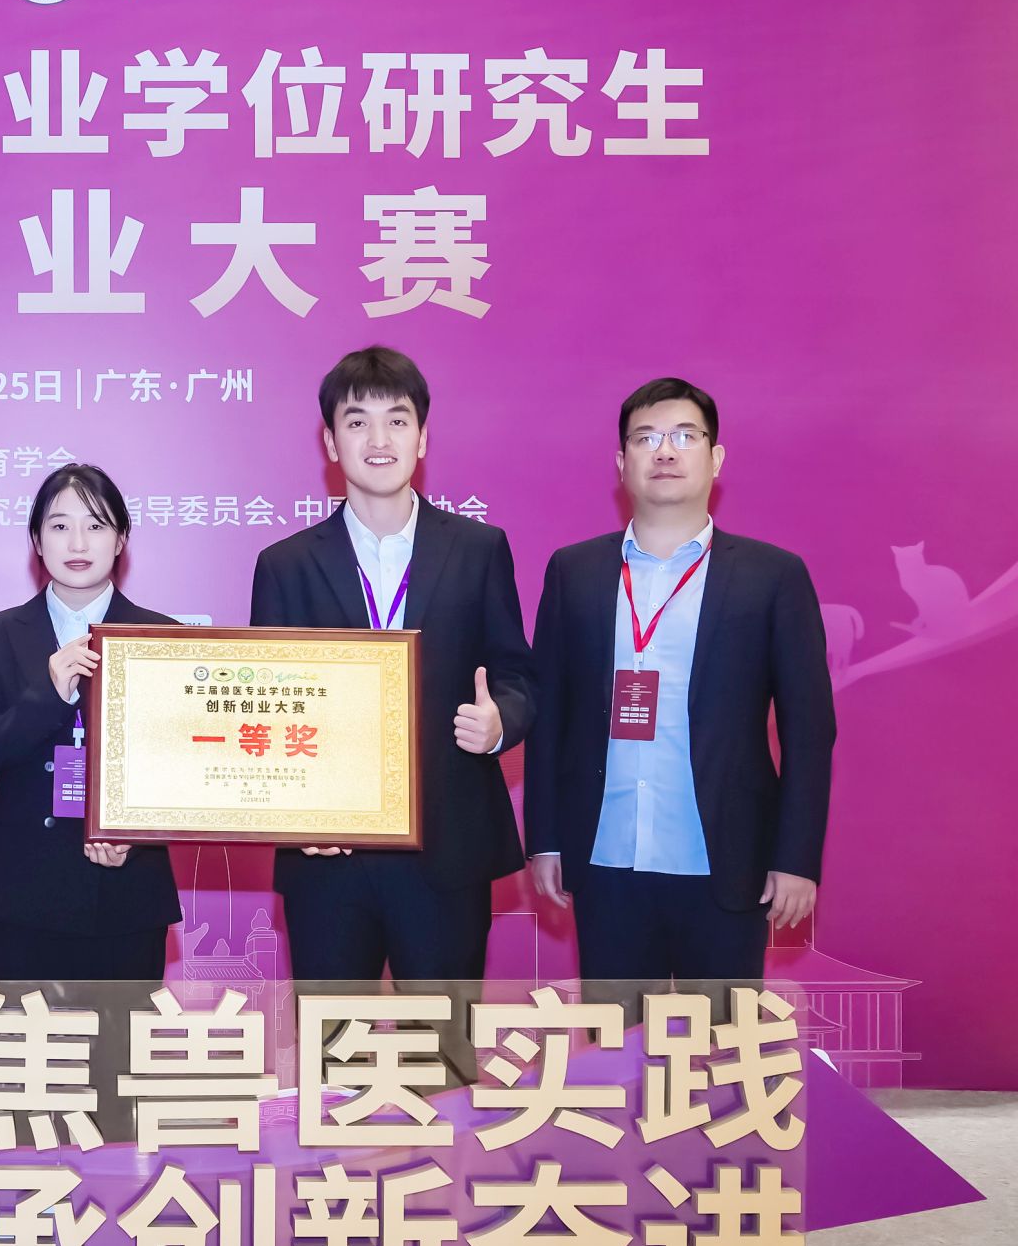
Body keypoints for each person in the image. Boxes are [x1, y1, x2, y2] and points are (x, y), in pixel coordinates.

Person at [525, 378, 835, 992]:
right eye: (645, 438)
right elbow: (549, 714)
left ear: (716, 458)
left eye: (685, 436)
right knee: (617, 1041)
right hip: (606, 857)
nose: (664, 451)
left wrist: (796, 858)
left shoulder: (772, 576)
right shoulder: (574, 571)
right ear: (621, 463)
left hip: (726, 861)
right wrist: (547, 841)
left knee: (722, 1042)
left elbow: (810, 732)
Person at [249, 347, 536, 984]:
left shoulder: (478, 549)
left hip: (447, 847)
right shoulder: (285, 565)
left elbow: (516, 676)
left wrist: (500, 724)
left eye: (397, 421)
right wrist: (295, 817)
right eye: (357, 422)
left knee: (445, 1042)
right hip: (328, 853)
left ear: (422, 437)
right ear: (331, 442)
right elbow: (267, 710)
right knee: (331, 1042)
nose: (379, 440)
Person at [0, 464, 181, 982]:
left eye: (96, 525)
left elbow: (181, 767)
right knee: (22, 1036)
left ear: (121, 538)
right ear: (37, 541)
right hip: (21, 891)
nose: (77, 542)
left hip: (128, 890)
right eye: (59, 526)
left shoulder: (161, 637)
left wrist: (135, 836)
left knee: (122, 1036)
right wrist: (48, 695)